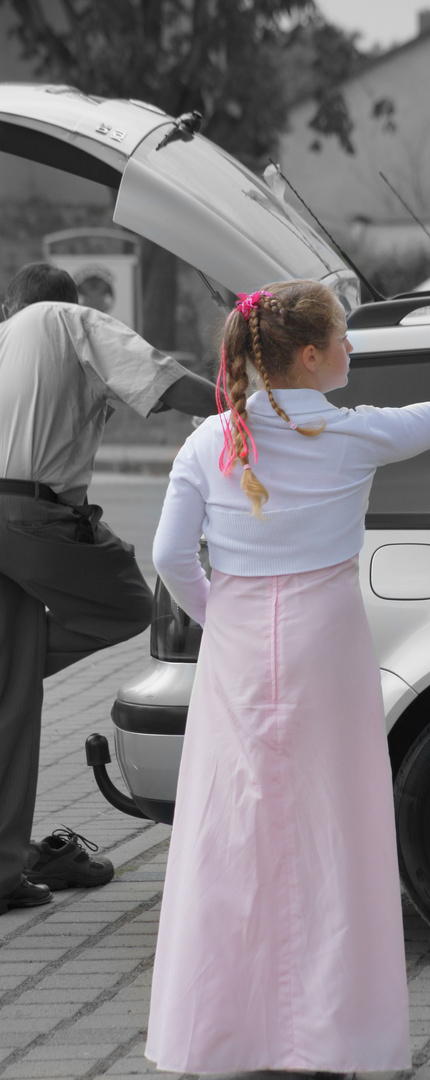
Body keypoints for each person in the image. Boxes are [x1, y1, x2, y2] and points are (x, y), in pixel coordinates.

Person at [146, 279, 430, 1077]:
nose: (352, 347)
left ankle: (222, 1036)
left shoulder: (208, 442)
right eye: (342, 338)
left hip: (239, 654)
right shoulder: (351, 436)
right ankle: (329, 1037)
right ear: (308, 358)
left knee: (230, 836)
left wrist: (224, 617)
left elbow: (171, 558)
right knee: (333, 836)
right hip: (326, 646)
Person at [0, 261, 217, 916]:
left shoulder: (8, 340)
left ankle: (7, 869)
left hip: (13, 524)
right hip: (27, 516)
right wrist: (248, 407)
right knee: (128, 600)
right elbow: (165, 380)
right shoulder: (66, 319)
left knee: (14, 703)